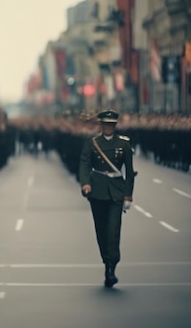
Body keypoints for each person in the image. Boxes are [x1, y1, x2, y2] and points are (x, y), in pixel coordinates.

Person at [79, 109, 134, 288]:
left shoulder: (124, 144)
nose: (108, 128)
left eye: (111, 125)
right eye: (105, 125)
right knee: (101, 231)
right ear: (101, 125)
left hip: (116, 192)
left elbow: (129, 172)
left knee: (114, 230)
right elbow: (85, 164)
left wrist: (128, 195)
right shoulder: (92, 143)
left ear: (115, 126)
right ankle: (106, 261)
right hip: (98, 192)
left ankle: (112, 267)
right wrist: (85, 183)